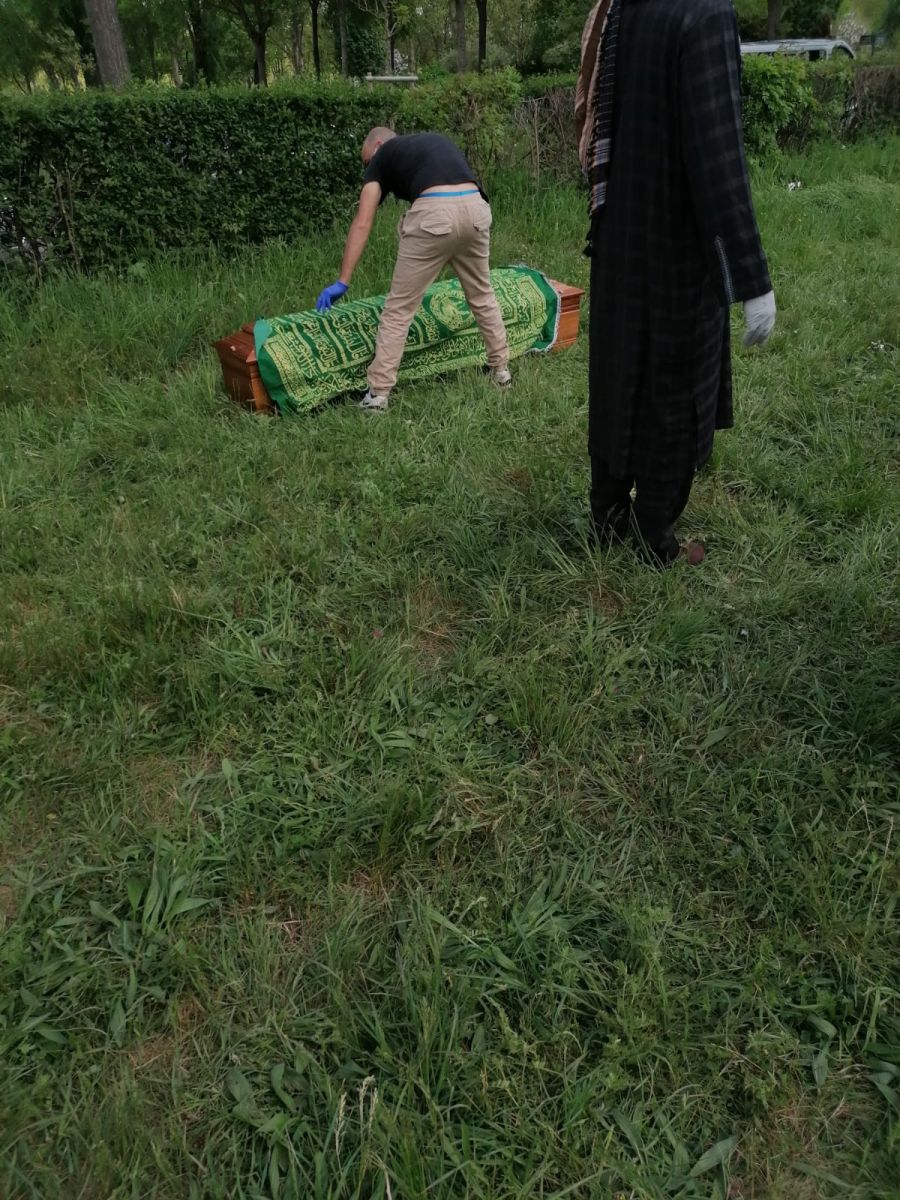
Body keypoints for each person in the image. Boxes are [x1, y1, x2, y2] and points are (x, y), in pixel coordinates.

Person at [578, 0, 776, 565]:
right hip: (674, 241)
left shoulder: (624, 9)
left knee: (619, 372)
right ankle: (653, 536)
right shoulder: (704, 12)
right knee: (675, 384)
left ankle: (607, 514)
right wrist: (751, 277)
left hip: (618, 230)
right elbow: (717, 152)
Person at [316, 128, 511, 412]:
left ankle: (378, 394)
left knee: (399, 309)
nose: (368, 169)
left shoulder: (382, 157)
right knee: (482, 295)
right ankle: (501, 372)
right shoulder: (428, 143)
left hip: (434, 212)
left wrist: (343, 281)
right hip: (477, 207)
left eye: (366, 162)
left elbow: (362, 222)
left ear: (379, 145)